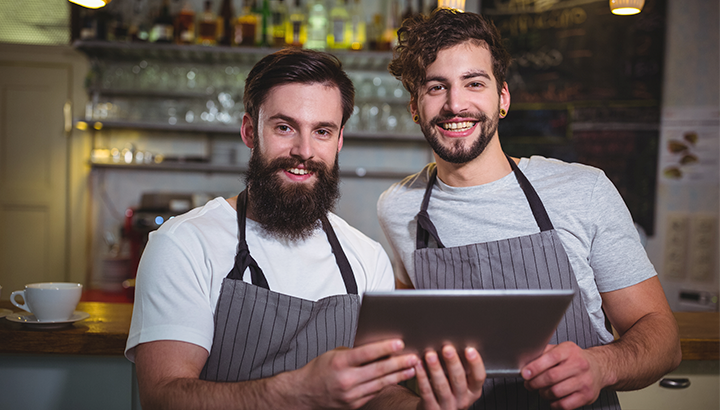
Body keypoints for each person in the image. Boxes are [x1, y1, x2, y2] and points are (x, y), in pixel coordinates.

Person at [377, 8, 682, 410]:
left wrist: (600, 366)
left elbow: (663, 337)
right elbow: (412, 345)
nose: (455, 104)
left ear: (502, 97)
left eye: (474, 83)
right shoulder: (398, 208)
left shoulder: (584, 190)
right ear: (415, 107)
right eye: (436, 87)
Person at [125, 48, 424, 410]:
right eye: (284, 127)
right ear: (250, 131)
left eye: (322, 132)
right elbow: (163, 397)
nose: (304, 151)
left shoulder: (366, 257)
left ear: (340, 140)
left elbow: (379, 393)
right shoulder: (184, 245)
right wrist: (294, 392)